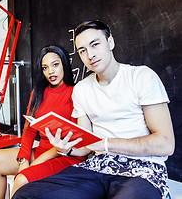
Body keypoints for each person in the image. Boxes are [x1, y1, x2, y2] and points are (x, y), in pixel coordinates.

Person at [12, 20, 175, 199]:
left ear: (110, 42)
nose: (90, 55)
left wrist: (106, 144)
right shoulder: (82, 89)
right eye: (82, 51)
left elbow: (166, 144)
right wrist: (65, 149)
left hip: (143, 169)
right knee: (25, 194)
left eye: (95, 44)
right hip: (96, 166)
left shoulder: (141, 77)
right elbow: (84, 148)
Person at [0, 45, 86, 199]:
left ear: (64, 64)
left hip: (65, 156)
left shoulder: (75, 93)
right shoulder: (37, 93)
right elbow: (29, 130)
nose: (50, 72)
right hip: (41, 151)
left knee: (21, 180)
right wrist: (23, 160)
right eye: (45, 68)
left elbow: (71, 139)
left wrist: (36, 163)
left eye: (55, 65)